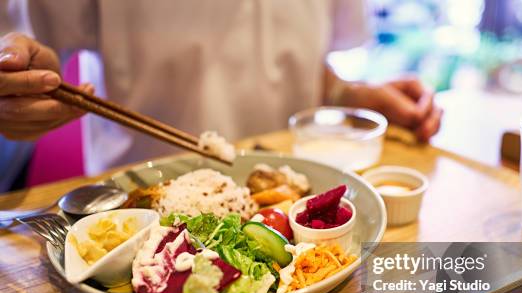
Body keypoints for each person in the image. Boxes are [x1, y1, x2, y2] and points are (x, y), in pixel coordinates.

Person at [0, 0, 441, 187]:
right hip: (145, 203)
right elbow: (24, 40)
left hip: (290, 196)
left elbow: (294, 60)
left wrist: (352, 95)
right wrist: (21, 85)